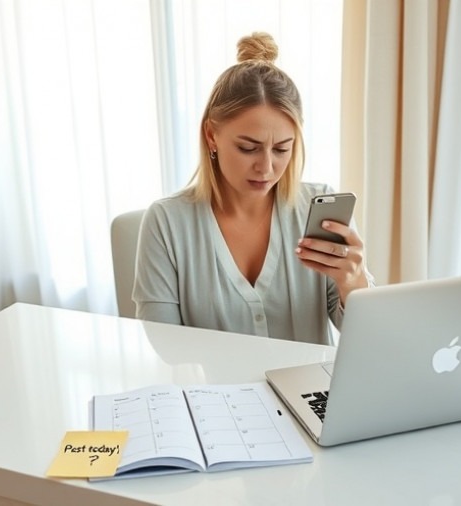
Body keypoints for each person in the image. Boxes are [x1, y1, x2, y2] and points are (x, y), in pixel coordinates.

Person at [132, 32, 373, 345]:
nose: (266, 167)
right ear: (211, 135)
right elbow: (164, 346)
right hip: (216, 394)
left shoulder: (316, 209)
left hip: (306, 392)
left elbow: (362, 334)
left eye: (282, 149)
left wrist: (353, 283)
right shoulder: (166, 223)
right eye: (248, 148)